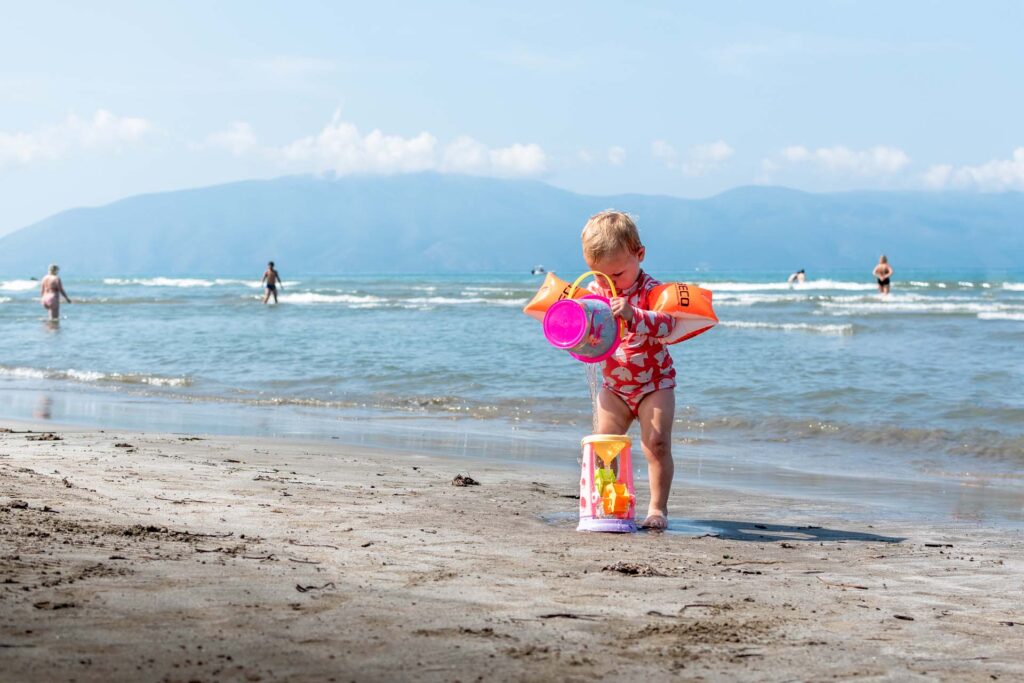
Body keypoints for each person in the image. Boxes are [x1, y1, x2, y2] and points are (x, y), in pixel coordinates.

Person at [580, 210, 677, 530]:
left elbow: (668, 324)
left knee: (657, 444)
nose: (608, 283)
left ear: (640, 255)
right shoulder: (595, 294)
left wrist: (635, 314)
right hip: (614, 386)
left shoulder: (652, 290)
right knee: (603, 447)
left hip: (654, 382)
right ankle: (608, 501)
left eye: (618, 274)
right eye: (598, 275)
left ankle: (657, 508)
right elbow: (587, 339)